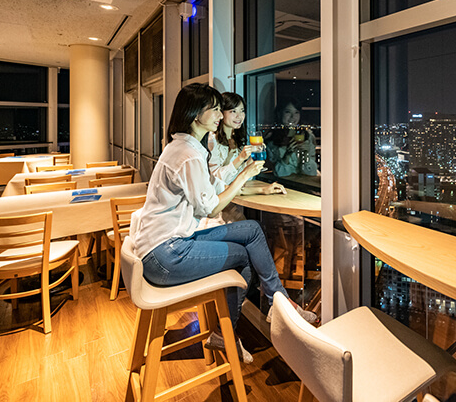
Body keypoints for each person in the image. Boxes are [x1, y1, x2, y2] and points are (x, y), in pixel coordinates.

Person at [130, 83, 316, 364]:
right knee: (241, 257)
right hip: (166, 255)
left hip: (168, 244)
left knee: (252, 231)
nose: (221, 115)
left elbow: (213, 184)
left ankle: (276, 301)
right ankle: (226, 331)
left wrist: (240, 160)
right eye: (215, 109)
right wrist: (243, 176)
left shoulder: (185, 147)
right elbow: (212, 206)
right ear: (196, 115)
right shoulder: (188, 154)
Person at [200, 91, 285, 229]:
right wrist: (240, 159)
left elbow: (243, 178)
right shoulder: (212, 141)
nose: (240, 116)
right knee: (255, 228)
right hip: (217, 207)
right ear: (221, 113)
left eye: (242, 111)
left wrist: (253, 159)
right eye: (233, 111)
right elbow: (216, 181)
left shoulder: (239, 139)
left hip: (235, 199)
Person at [265, 98, 318, 177]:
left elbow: (312, 172)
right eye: (288, 112)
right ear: (280, 113)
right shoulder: (272, 138)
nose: (293, 117)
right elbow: (278, 173)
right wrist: (287, 156)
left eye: (296, 112)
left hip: (304, 184)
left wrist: (305, 155)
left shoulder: (307, 136)